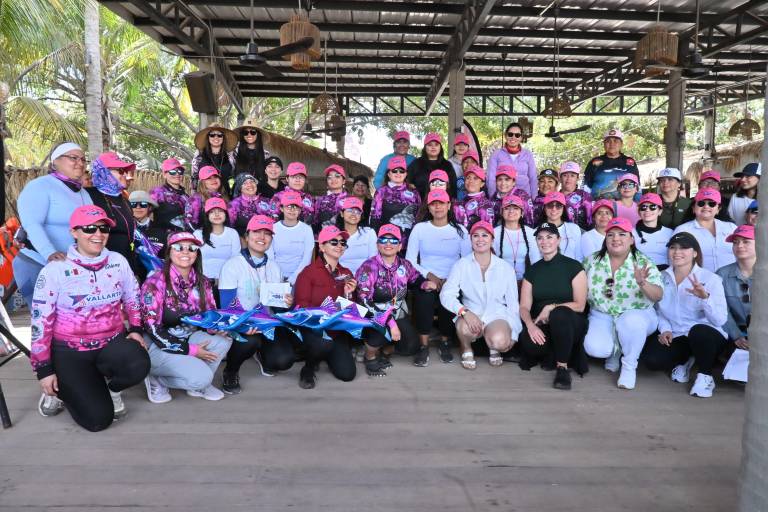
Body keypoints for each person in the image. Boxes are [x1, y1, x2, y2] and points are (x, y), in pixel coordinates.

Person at [30, 205, 150, 431]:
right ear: (74, 232)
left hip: (110, 343)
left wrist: (135, 328)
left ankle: (111, 390)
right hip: (70, 351)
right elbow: (40, 323)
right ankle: (59, 391)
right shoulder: (54, 270)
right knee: (97, 421)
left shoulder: (118, 261)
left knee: (139, 362)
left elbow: (133, 299)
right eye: (89, 228)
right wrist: (43, 370)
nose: (98, 234)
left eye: (103, 228)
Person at [217, 215, 298, 393]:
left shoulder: (274, 267)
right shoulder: (232, 265)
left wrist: (287, 303)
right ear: (246, 236)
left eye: (267, 233)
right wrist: (242, 326)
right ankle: (231, 371)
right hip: (241, 323)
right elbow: (227, 307)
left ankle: (262, 355)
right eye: (257, 232)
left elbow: (276, 306)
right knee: (249, 341)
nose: (262, 237)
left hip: (266, 324)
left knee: (284, 361)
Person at [642, 232, 728, 398]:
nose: (677, 252)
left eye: (684, 248)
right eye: (673, 248)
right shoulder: (661, 277)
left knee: (699, 332)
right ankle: (687, 359)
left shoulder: (711, 279)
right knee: (652, 361)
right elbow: (659, 311)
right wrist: (665, 329)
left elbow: (719, 320)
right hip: (678, 334)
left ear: (695, 253)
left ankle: (705, 375)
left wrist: (705, 298)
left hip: (708, 335)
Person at [582, 217, 663, 390]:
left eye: (621, 234)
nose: (615, 238)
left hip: (637, 315)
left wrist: (643, 283)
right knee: (596, 349)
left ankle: (629, 365)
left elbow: (658, 295)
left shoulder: (643, 262)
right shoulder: (592, 261)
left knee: (630, 322)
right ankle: (615, 350)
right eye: (610, 234)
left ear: (631, 239)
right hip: (602, 314)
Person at [14, 142, 92, 307]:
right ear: (55, 161)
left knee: (71, 320)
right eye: (73, 158)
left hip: (70, 268)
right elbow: (32, 224)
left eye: (83, 159)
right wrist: (49, 252)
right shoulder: (39, 186)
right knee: (44, 319)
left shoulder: (83, 193)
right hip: (35, 264)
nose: (80, 162)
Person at [440, 221, 521, 370]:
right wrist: (464, 312)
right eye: (475, 236)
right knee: (464, 328)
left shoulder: (505, 268)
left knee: (501, 342)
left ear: (492, 240)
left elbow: (513, 304)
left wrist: (514, 333)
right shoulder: (461, 265)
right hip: (471, 312)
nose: (480, 239)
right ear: (471, 241)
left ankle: (493, 345)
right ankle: (465, 347)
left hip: (496, 314)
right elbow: (446, 294)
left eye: (485, 235)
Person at [355, 224, 434, 376]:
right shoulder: (368, 267)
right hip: (372, 315)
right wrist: (390, 322)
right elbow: (364, 301)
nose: (388, 244)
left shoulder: (404, 264)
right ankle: (370, 356)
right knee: (380, 332)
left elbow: (416, 279)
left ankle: (384, 351)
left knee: (412, 346)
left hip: (396, 312)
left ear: (400, 246)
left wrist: (426, 284)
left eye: (393, 241)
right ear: (378, 245)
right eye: (383, 240)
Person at [517, 222, 588, 389]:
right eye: (540, 238)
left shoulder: (574, 267)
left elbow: (580, 305)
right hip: (544, 324)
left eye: (549, 237)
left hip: (570, 322)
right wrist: (530, 326)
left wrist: (551, 307)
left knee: (559, 314)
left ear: (558, 240)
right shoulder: (533, 271)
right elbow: (524, 307)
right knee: (529, 343)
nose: (545, 241)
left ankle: (562, 367)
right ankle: (553, 353)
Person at [406, 190, 472, 365]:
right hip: (424, 275)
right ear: (429, 206)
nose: (438, 207)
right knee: (424, 296)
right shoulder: (420, 228)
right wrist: (430, 276)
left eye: (441, 203)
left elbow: (466, 261)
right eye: (434, 203)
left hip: (452, 277)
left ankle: (445, 341)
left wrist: (449, 279)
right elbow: (410, 261)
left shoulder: (460, 231)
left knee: (449, 297)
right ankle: (423, 346)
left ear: (449, 205)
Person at [293, 226, 358, 389]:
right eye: (334, 242)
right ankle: (308, 368)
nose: (339, 246)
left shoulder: (347, 272)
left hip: (336, 331)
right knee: (322, 344)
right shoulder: (308, 272)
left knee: (347, 374)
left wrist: (349, 294)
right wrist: (321, 322)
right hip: (314, 330)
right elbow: (301, 307)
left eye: (343, 243)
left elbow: (351, 309)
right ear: (321, 246)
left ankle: (323, 356)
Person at [86, 152, 139, 276]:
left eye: (126, 170)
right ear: (104, 172)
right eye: (120, 171)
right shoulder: (89, 196)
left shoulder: (124, 199)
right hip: (101, 271)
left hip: (127, 266)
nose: (126, 175)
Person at [673, 189, 737, 273]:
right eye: (701, 203)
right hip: (697, 283)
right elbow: (674, 259)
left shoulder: (731, 228)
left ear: (718, 209)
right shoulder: (682, 230)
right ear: (693, 208)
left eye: (712, 204)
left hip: (731, 281)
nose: (706, 206)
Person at [716, 225, 754, 352]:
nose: (739, 246)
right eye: (735, 242)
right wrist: (736, 335)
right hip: (739, 335)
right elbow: (721, 310)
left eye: (746, 241)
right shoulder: (722, 274)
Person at [369, 156, 421, 248]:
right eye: (394, 171)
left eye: (401, 171)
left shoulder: (414, 193)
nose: (398, 173)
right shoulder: (381, 192)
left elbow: (419, 217)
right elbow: (374, 219)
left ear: (406, 174)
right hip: (387, 243)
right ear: (388, 174)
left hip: (409, 243)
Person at [193, 198, 241, 295]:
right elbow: (192, 260)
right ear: (207, 215)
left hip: (227, 284)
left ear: (226, 214)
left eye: (220, 211)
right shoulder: (198, 234)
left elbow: (236, 260)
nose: (217, 214)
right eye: (212, 212)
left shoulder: (232, 233)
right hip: (202, 283)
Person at [268, 191, 315, 285]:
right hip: (274, 277)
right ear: (281, 208)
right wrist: (278, 278)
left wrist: (292, 280)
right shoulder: (273, 228)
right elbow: (270, 257)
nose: (292, 210)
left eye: (296, 207)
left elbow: (306, 258)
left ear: (300, 210)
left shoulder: (306, 230)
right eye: (288, 206)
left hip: (300, 277)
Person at [493, 194, 539, 283]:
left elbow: (535, 260)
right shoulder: (494, 233)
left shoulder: (531, 233)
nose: (511, 211)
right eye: (506, 208)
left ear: (522, 212)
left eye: (515, 208)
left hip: (526, 282)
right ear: (501, 212)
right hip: (501, 282)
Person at [583, 128, 639, 199]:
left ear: (621, 144)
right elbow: (585, 186)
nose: (612, 144)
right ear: (604, 144)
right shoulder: (594, 162)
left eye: (615, 141)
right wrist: (586, 205)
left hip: (625, 206)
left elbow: (637, 186)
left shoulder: (630, 162)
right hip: (599, 207)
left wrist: (637, 204)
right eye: (608, 141)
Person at [486, 122, 538, 197]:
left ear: (521, 138)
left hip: (524, 198)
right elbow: (491, 178)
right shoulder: (496, 154)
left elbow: (533, 178)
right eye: (510, 134)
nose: (513, 137)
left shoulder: (528, 154)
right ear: (505, 135)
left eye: (517, 135)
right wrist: (493, 198)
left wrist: (534, 199)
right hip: (502, 198)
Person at [130, 190, 168, 282]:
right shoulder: (125, 229)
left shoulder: (161, 229)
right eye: (133, 204)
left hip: (156, 280)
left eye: (143, 204)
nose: (138, 207)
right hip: (131, 279)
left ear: (149, 208)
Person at [536, 192, 583, 262]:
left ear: (563, 208)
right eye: (550, 205)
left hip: (572, 271)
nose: (554, 209)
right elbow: (536, 259)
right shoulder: (537, 231)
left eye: (558, 205)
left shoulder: (574, 228)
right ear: (544, 208)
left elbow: (579, 256)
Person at [407, 132, 456, 198]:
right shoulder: (416, 164)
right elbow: (407, 183)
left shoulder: (447, 165)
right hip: (419, 204)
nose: (433, 147)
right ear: (425, 147)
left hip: (441, 205)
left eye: (436, 144)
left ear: (440, 147)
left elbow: (453, 187)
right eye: (430, 145)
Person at [191, 123, 237, 193]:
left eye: (219, 135)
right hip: (205, 196)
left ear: (223, 138)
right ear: (208, 137)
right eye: (212, 135)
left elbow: (235, 175)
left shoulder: (231, 155)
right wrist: (194, 193)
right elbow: (194, 176)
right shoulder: (199, 154)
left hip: (226, 194)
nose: (216, 137)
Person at [337, 196, 377, 275]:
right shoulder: (335, 235)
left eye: (357, 211)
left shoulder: (369, 233)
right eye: (350, 210)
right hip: (340, 278)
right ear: (342, 213)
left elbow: (373, 261)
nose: (354, 214)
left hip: (365, 278)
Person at [632, 193, 673, 269]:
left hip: (666, 275)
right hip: (641, 276)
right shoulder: (630, 234)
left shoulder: (670, 233)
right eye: (643, 207)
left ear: (660, 211)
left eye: (652, 207)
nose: (647, 210)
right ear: (639, 212)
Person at [150, 158, 192, 232]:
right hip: (165, 239)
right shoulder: (157, 193)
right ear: (164, 174)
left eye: (180, 171)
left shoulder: (186, 196)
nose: (177, 174)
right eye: (172, 172)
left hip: (185, 239)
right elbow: (143, 212)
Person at [453, 165, 495, 230]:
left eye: (475, 178)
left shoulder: (485, 205)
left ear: (482, 184)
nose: (471, 181)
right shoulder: (461, 201)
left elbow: (487, 232)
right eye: (468, 178)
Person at [558, 161, 593, 230]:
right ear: (560, 177)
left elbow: (591, 221)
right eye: (565, 175)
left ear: (577, 178)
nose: (568, 179)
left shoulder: (585, 197)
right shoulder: (554, 198)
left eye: (572, 175)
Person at [314, 164, 348, 233]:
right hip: (324, 240)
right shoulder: (320, 200)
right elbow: (316, 223)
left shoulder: (350, 200)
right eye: (329, 177)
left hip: (344, 240)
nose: (333, 179)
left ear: (344, 181)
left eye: (337, 176)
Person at [232, 118, 268, 183]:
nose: (249, 135)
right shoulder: (235, 152)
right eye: (245, 132)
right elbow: (230, 173)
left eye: (253, 132)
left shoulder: (265, 154)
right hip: (240, 189)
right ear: (242, 135)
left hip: (260, 189)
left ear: (258, 134)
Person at [448, 132, 471, 200]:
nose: (461, 147)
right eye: (458, 144)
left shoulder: (473, 162)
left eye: (464, 144)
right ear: (454, 147)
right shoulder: (448, 163)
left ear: (468, 147)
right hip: (454, 197)